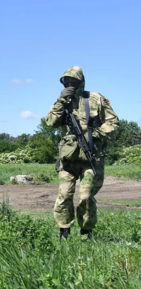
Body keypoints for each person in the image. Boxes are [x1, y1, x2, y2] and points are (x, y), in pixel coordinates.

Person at [45, 66, 118, 240]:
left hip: (90, 155)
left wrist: (96, 134)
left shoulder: (95, 98)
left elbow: (113, 122)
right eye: (67, 81)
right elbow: (50, 122)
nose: (70, 84)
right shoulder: (61, 101)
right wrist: (61, 101)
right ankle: (64, 232)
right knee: (64, 195)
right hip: (68, 158)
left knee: (86, 196)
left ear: (81, 82)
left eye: (74, 81)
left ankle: (86, 233)